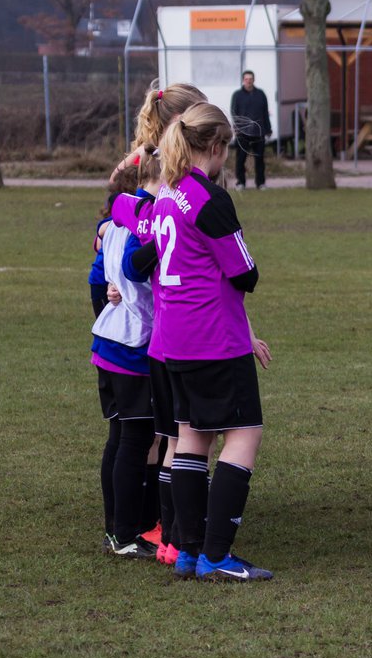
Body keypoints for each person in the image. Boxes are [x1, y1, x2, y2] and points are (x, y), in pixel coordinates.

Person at [153, 101, 273, 582]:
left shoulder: (168, 191)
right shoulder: (209, 198)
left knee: (191, 437)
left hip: (172, 338)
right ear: (219, 147)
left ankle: (186, 550)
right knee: (244, 433)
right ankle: (217, 555)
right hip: (213, 338)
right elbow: (246, 272)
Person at [110, 82, 210, 566]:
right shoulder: (159, 181)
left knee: (149, 431)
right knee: (147, 432)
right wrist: (118, 280)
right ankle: (139, 526)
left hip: (147, 321)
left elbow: (116, 215)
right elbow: (127, 243)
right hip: (144, 328)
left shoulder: (153, 176)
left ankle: (148, 523)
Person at [92, 155, 159, 559]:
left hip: (107, 341)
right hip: (131, 346)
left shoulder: (120, 216)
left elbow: (105, 275)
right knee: (134, 441)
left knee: (120, 438)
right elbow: (135, 269)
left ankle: (116, 529)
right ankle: (125, 534)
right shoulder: (145, 219)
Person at [230, 70, 271, 190]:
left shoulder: (260, 94)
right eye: (246, 79)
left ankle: (260, 183)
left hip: (258, 133)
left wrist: (268, 129)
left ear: (254, 80)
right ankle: (241, 182)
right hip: (243, 133)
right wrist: (237, 128)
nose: (249, 81)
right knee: (241, 159)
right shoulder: (237, 95)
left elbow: (265, 113)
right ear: (243, 80)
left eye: (250, 79)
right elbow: (234, 113)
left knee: (260, 159)